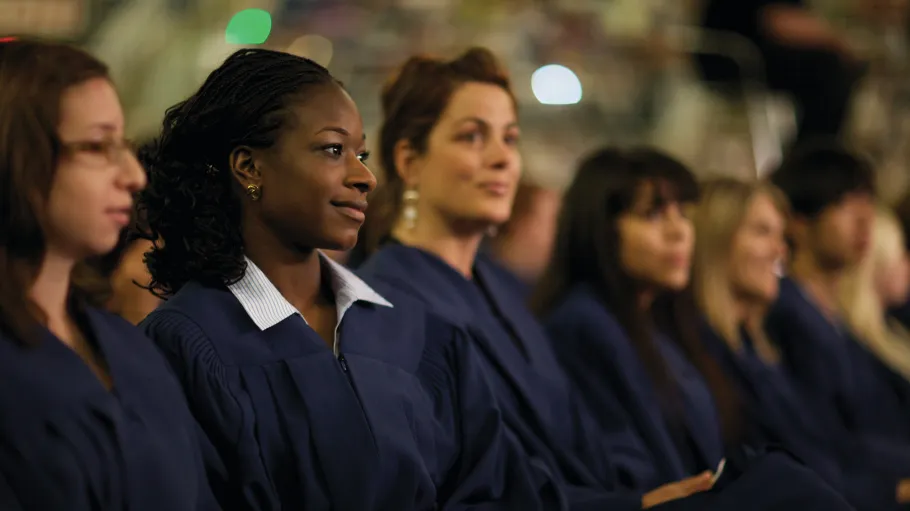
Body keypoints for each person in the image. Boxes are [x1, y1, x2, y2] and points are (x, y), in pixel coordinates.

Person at [356, 48, 851, 510]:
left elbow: (582, 437)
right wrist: (632, 503)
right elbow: (465, 484)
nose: (503, 158)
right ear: (409, 161)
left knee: (786, 480)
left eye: (509, 137)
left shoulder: (500, 288)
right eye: (472, 136)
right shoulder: (391, 303)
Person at [135, 48, 559, 511]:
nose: (365, 177)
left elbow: (492, 490)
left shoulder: (418, 333)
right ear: (249, 167)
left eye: (361, 154)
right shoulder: (185, 343)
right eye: (334, 150)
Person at [530, 148, 852, 509]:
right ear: (600, 227)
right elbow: (629, 470)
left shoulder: (658, 325)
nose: (679, 231)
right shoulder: (585, 323)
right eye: (653, 214)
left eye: (682, 213)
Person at [0, 38, 217, 510]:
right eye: (97, 146)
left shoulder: (126, 347)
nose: (133, 175)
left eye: (124, 145)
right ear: (16, 157)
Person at [693, 178, 910, 509]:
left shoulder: (757, 350)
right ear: (718, 240)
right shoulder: (705, 350)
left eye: (781, 236)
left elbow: (831, 448)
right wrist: (893, 492)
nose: (780, 250)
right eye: (762, 232)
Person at [766, 144, 910, 461]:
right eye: (843, 203)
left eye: (867, 201)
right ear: (799, 223)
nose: (864, 218)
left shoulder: (838, 319)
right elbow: (833, 442)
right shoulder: (787, 314)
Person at [698, 0, 864, 143]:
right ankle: (812, 158)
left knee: (830, 68)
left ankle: (814, 152)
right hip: (736, 58)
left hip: (744, 54)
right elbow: (778, 21)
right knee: (828, 70)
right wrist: (838, 40)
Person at [839, 207, 910, 383]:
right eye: (899, 254)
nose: (906, 265)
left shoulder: (891, 326)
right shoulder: (856, 345)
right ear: (876, 264)